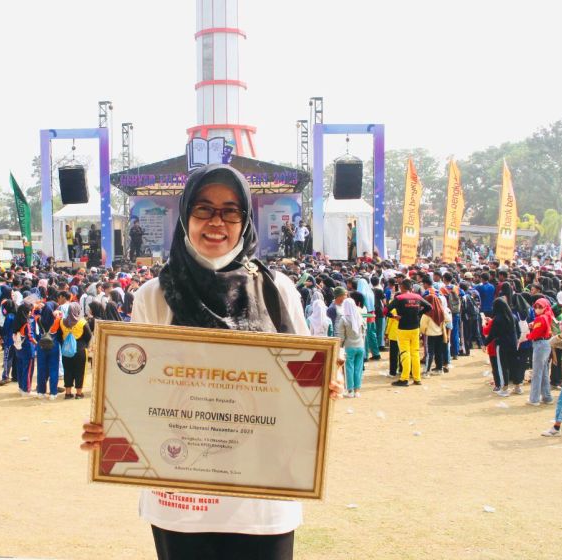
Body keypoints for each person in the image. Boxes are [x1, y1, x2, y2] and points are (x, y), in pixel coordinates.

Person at [80, 164, 341, 560]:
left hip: (262, 498)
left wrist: (325, 388)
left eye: (230, 211)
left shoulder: (277, 289)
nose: (217, 222)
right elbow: (136, 389)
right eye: (203, 209)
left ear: (245, 220)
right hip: (181, 500)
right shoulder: (155, 295)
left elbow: (305, 379)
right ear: (186, 216)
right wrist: (110, 426)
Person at [387, 279, 431, 387]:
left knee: (404, 353)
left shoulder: (399, 298)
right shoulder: (417, 297)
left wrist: (394, 316)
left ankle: (404, 378)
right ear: (411, 287)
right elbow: (430, 307)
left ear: (402, 287)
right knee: (415, 353)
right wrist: (419, 314)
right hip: (415, 328)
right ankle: (417, 378)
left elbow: (385, 310)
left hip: (403, 328)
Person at [58, 302, 90, 399]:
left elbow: (59, 336)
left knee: (67, 371)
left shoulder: (62, 322)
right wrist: (85, 345)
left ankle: (68, 393)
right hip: (80, 350)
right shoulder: (82, 322)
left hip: (66, 350)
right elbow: (88, 336)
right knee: (80, 371)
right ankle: (79, 394)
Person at [526, 297, 554, 405]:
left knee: (537, 373)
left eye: (540, 307)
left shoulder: (540, 318)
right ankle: (547, 397)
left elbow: (535, 334)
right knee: (544, 372)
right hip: (546, 344)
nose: (537, 309)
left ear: (545, 307)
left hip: (540, 344)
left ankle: (534, 399)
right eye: (536, 307)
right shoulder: (548, 315)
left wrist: (528, 335)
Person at [337, 297, 366, 397]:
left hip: (349, 346)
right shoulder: (359, 317)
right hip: (360, 346)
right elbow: (364, 332)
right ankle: (357, 390)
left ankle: (350, 391)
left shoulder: (343, 319)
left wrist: (340, 347)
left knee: (349, 368)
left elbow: (341, 336)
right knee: (358, 369)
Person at [420, 294, 450, 375]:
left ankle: (427, 371)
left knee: (430, 353)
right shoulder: (441, 311)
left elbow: (422, 326)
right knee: (438, 352)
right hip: (440, 335)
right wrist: (442, 323)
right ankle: (439, 369)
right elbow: (448, 319)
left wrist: (423, 332)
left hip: (430, 335)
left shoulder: (427, 313)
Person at [12, 302, 37, 396]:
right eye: (29, 311)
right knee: (28, 369)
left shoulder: (16, 322)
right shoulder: (26, 324)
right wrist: (38, 344)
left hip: (19, 349)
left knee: (20, 368)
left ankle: (21, 387)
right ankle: (26, 389)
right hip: (27, 349)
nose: (30, 312)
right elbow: (30, 337)